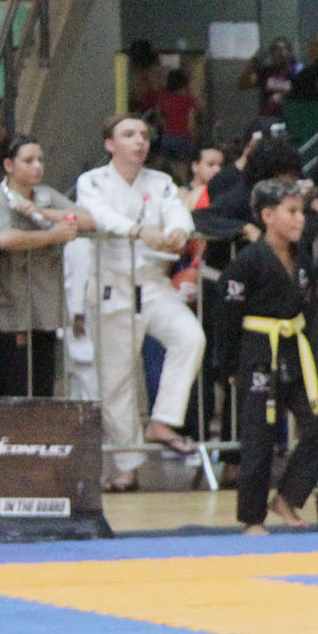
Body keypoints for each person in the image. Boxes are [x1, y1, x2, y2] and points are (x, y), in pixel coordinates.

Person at [74, 114, 206, 489]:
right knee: (116, 381)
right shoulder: (92, 181)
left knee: (190, 337)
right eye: (129, 134)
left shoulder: (160, 181)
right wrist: (139, 231)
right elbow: (100, 216)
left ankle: (162, 420)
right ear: (110, 144)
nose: (139, 141)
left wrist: (178, 231)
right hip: (112, 282)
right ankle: (126, 467)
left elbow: (177, 210)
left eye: (144, 135)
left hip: (152, 281)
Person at [216, 178, 318, 534]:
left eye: (302, 212)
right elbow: (226, 318)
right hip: (258, 352)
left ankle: (287, 497)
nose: (301, 219)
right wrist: (228, 365)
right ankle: (252, 518)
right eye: (292, 211)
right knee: (259, 438)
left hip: (294, 349)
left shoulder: (303, 260)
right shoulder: (247, 263)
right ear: (268, 216)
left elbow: (307, 310)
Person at [0, 134, 91, 398]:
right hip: (10, 308)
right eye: (28, 161)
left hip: (44, 307)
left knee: (43, 387)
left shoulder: (45, 195)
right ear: (9, 165)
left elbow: (88, 219)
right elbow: (4, 238)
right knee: (15, 387)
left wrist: (43, 213)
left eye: (40, 160)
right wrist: (52, 235)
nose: (37, 166)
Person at [239, 39, 296, 121]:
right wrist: (252, 64)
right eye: (276, 49)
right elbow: (243, 84)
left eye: (284, 49)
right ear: (272, 53)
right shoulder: (265, 72)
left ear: (289, 52)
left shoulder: (297, 72)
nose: (281, 52)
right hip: (268, 120)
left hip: (291, 119)